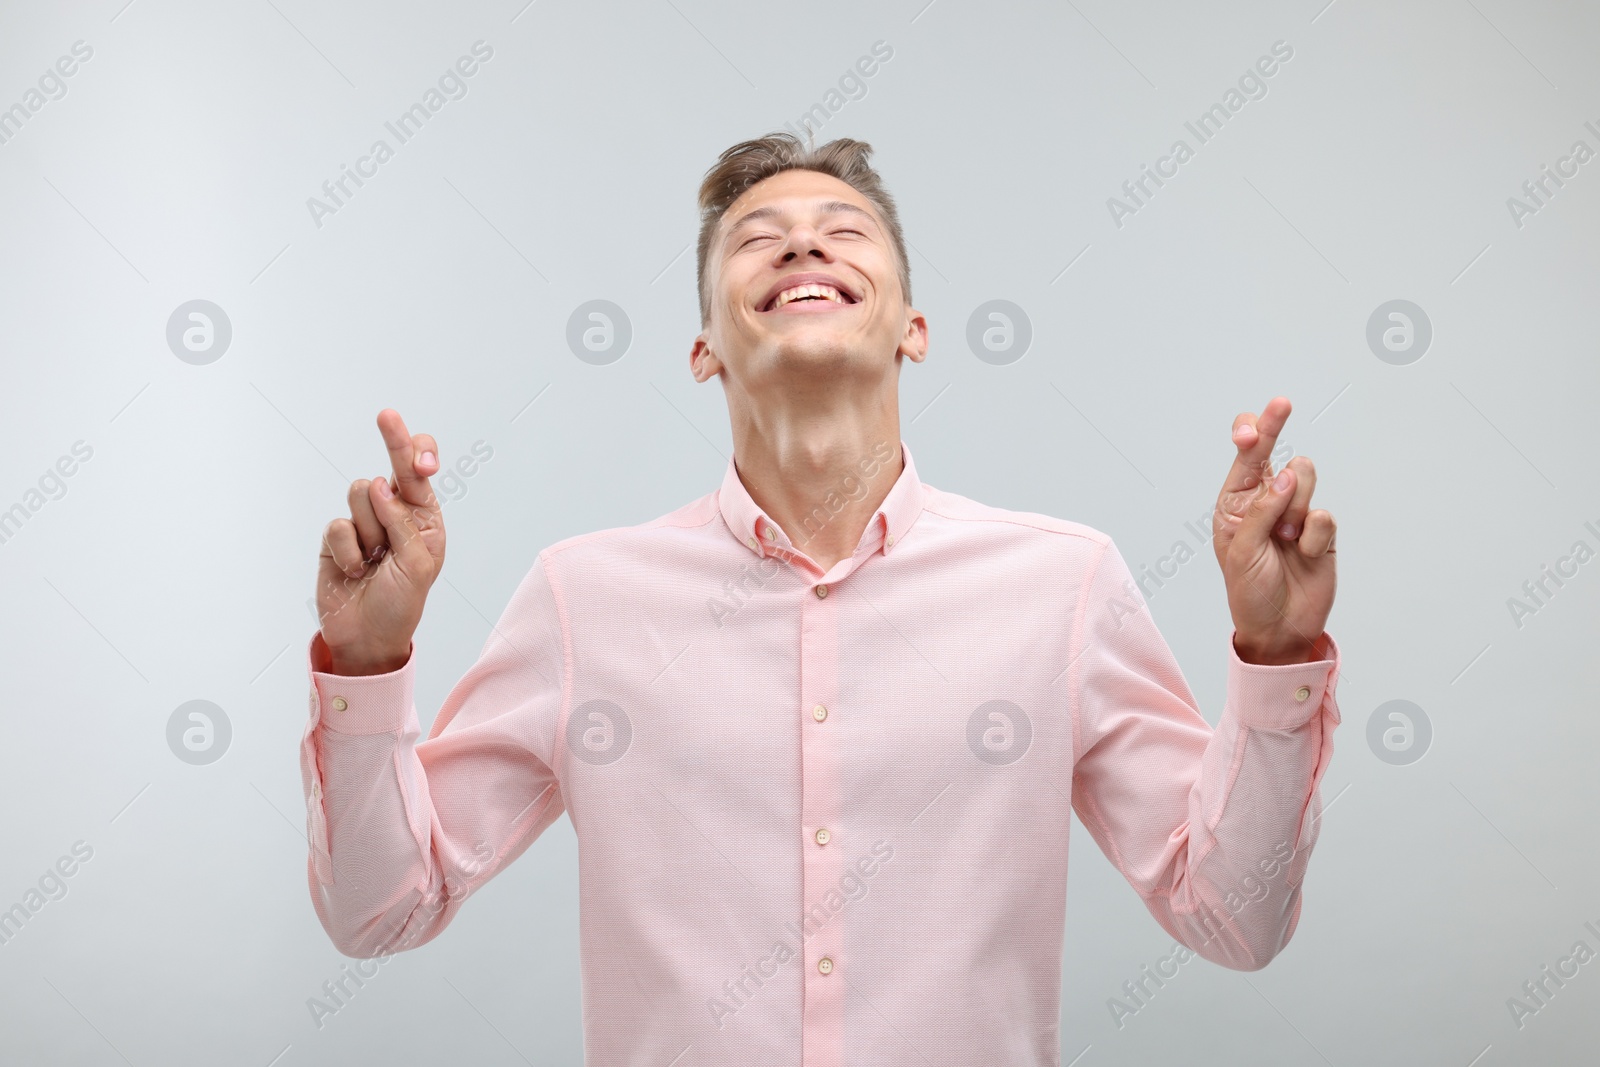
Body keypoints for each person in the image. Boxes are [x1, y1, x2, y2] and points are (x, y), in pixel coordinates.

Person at [300, 131, 1341, 1065]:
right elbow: (382, 913)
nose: (803, 248)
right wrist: (365, 666)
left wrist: (1277, 649)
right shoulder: (583, 598)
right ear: (704, 347)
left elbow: (1232, 922)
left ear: (914, 328)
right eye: (758, 237)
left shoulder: (1062, 587)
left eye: (843, 230)